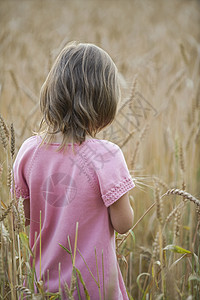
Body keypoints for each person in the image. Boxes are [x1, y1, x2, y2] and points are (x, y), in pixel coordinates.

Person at [13, 41, 135, 299]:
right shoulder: (107, 155)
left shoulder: (27, 151)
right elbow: (124, 224)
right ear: (104, 102)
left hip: (43, 288)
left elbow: (21, 220)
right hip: (95, 288)